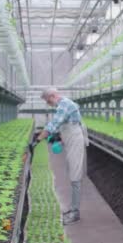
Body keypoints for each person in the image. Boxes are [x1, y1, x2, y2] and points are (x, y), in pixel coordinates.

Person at [37, 87, 89, 225]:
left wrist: (38, 138)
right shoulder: (64, 105)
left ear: (53, 96)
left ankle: (75, 213)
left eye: (48, 101)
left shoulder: (64, 104)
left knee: (75, 176)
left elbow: (54, 123)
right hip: (70, 141)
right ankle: (73, 208)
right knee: (72, 173)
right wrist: (60, 139)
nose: (49, 104)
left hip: (75, 141)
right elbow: (64, 125)